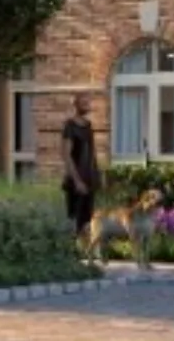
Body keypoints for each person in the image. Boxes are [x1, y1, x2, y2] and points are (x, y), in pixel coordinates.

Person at [60, 93, 101, 251]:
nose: (87, 106)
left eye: (88, 103)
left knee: (87, 220)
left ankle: (85, 252)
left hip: (89, 179)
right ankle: (70, 251)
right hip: (76, 181)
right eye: (83, 103)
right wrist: (77, 181)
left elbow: (92, 153)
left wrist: (97, 175)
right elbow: (66, 154)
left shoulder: (88, 126)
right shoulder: (70, 126)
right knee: (74, 219)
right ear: (76, 105)